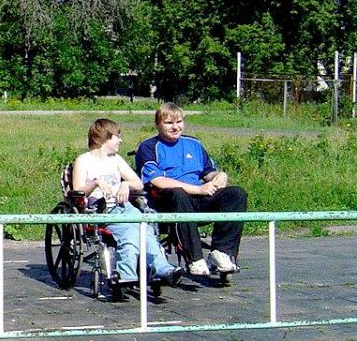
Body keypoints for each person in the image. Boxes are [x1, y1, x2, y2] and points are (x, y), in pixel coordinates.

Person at [135, 102, 246, 277]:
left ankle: (221, 252)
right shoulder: (148, 147)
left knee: (236, 194)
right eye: (169, 123)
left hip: (198, 196)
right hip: (167, 200)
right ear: (158, 124)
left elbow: (208, 172)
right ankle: (194, 258)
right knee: (179, 193)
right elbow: (158, 181)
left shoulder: (194, 144)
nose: (175, 127)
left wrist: (219, 176)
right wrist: (199, 189)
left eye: (179, 122)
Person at [72, 118, 183, 287]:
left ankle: (163, 269)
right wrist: (95, 183)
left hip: (124, 206)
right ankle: (126, 273)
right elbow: (77, 191)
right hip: (101, 210)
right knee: (129, 232)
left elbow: (138, 183)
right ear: (105, 137)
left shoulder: (116, 160)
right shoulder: (84, 160)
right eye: (117, 136)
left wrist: (125, 184)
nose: (121, 140)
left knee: (145, 229)